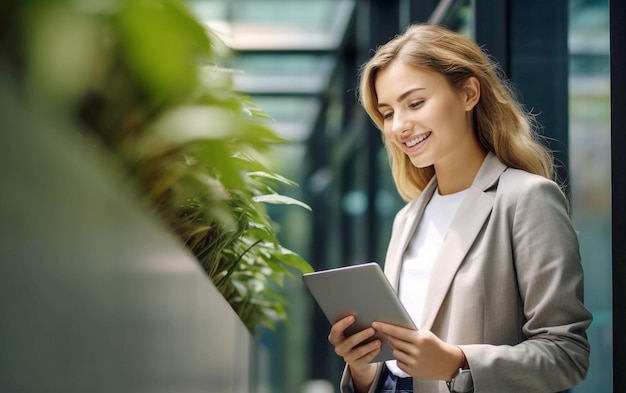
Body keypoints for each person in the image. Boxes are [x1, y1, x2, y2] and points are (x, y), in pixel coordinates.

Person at [327, 23, 592, 393]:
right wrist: (362, 366)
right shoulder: (408, 218)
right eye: (387, 112)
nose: (399, 125)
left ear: (468, 92)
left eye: (415, 103)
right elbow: (397, 371)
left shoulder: (526, 198)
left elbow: (566, 355)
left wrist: (458, 364)